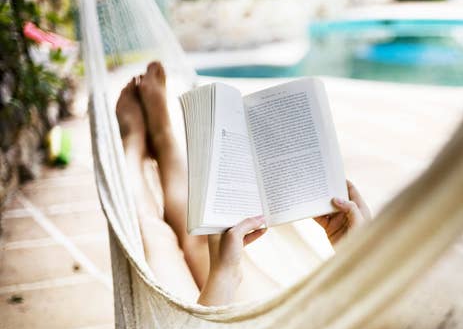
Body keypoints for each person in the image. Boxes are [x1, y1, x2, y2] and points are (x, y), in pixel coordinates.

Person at [115, 62, 371, 306]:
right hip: (307, 324)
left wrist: (224, 277)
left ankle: (134, 145)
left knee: (155, 239)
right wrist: (361, 256)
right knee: (204, 239)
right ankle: (163, 140)